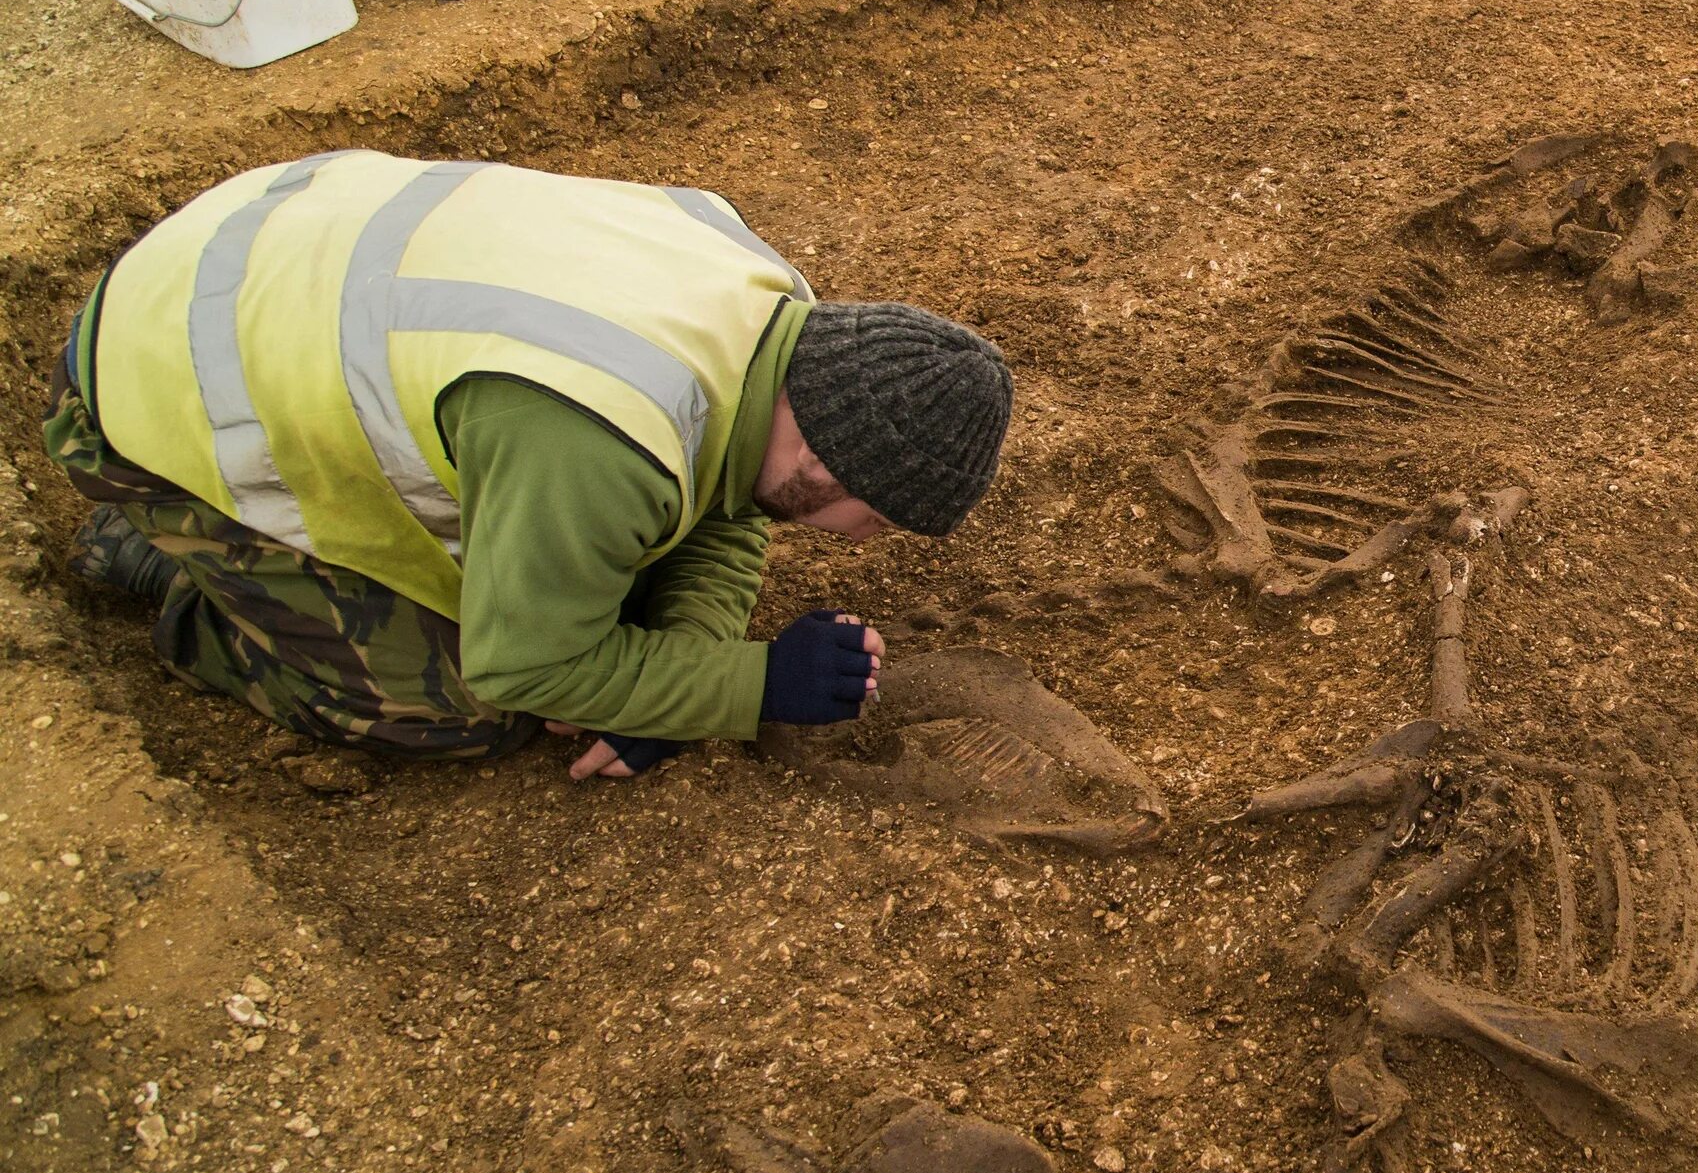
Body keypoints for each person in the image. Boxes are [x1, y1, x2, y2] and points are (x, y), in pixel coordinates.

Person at [48, 150, 1012, 781]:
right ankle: (182, 574)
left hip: (268, 239)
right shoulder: (595, 436)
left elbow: (727, 505)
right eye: (876, 516)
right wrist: (751, 689)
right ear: (822, 458)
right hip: (155, 386)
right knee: (464, 706)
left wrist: (691, 676)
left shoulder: (774, 316)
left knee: (603, 598)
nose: (866, 542)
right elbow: (526, 666)